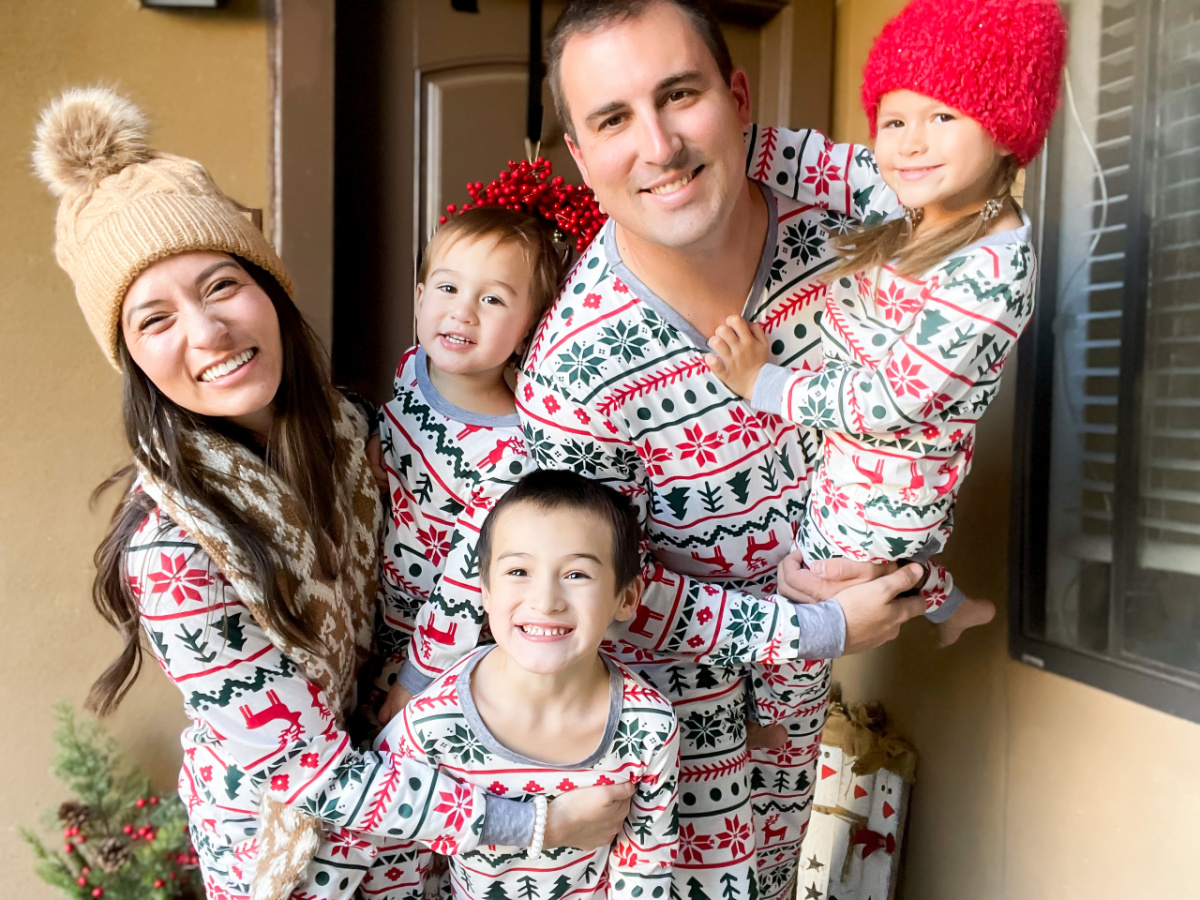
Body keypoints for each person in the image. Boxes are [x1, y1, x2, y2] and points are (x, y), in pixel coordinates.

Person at [33, 87, 635, 900]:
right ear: (133, 358)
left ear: (269, 290)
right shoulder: (174, 550)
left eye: (220, 286)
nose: (207, 333)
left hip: (417, 839)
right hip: (293, 864)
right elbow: (313, 776)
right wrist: (534, 825)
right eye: (154, 319)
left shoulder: (360, 432)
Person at [520, 3, 930, 899]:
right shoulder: (576, 371)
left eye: (681, 95)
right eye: (613, 119)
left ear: (739, 97)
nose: (660, 145)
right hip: (661, 754)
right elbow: (601, 595)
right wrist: (813, 623)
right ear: (583, 160)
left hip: (790, 725)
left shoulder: (838, 212)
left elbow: (962, 208)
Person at [706, 0, 1067, 645]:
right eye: (894, 119)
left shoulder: (991, 271)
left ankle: (780, 719)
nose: (910, 142)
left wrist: (763, 382)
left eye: (942, 115)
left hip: (894, 486)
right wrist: (716, 140)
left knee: (812, 592)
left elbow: (888, 399)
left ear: (1005, 129)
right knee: (836, 573)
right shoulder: (919, 194)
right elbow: (820, 164)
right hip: (852, 456)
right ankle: (949, 604)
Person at [370, 469, 679, 900]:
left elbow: (646, 860)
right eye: (518, 571)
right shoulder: (430, 726)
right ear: (485, 593)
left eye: (576, 575)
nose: (545, 601)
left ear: (625, 598)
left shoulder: (650, 725)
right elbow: (392, 857)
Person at [369, 198, 586, 728]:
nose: (462, 311)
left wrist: (414, 681)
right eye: (447, 288)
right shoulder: (413, 366)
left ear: (529, 327)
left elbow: (465, 583)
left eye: (492, 299)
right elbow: (400, 422)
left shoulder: (513, 452)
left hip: (442, 640)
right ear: (418, 298)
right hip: (377, 604)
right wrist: (380, 442)